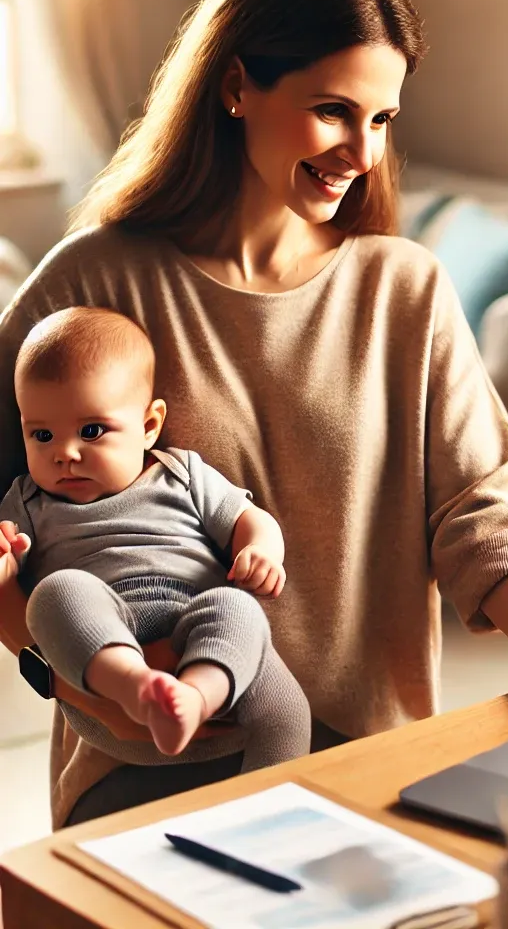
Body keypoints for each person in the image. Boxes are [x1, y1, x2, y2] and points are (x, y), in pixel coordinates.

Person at [0, 0, 508, 831]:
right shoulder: (91, 284)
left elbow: (478, 509)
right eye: (334, 110)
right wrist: (63, 672)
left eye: (382, 119)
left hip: (373, 761)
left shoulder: (402, 288)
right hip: (147, 764)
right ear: (236, 86)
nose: (361, 152)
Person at [0, 306, 311, 770]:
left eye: (91, 431)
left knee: (244, 621)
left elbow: (250, 518)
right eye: (42, 435)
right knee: (55, 594)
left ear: (149, 426)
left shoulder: (180, 474)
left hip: (199, 623)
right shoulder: (26, 502)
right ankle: (138, 687)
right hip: (108, 667)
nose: (64, 453)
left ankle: (198, 707)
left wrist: (261, 550)